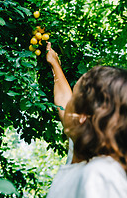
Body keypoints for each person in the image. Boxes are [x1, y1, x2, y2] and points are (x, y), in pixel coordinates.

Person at [46, 42, 127, 198]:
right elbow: (63, 100)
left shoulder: (101, 175)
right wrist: (54, 64)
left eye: (74, 98)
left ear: (82, 116)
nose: (67, 104)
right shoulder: (84, 157)